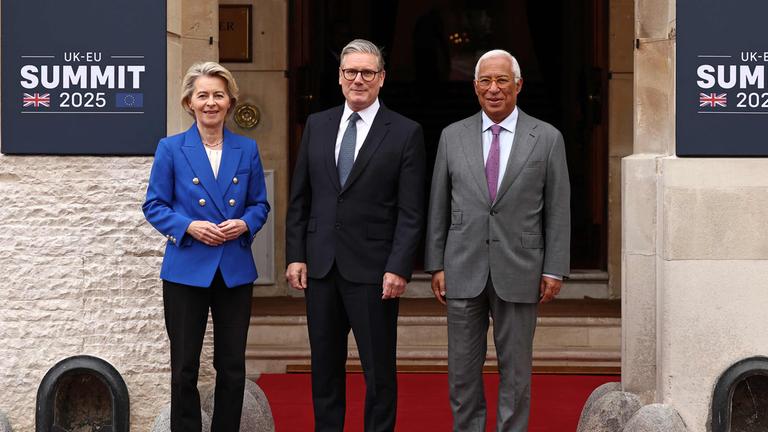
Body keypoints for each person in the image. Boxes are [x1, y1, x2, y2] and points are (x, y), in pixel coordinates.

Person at [425, 49, 570, 432]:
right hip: (462, 266)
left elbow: (558, 208)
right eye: (485, 81)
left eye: (502, 80)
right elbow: (438, 203)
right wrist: (436, 264)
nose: (494, 89)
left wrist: (554, 267)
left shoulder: (548, 138)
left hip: (521, 268)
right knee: (461, 370)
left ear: (518, 85)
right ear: (475, 87)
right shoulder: (451, 136)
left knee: (517, 371)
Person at [285, 39, 425, 432]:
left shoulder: (405, 132)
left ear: (381, 78)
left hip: (375, 271)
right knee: (324, 369)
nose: (358, 79)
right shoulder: (317, 124)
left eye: (367, 72)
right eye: (351, 72)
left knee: (378, 372)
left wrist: (399, 267)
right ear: (340, 77)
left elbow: (411, 211)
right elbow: (300, 198)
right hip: (322, 267)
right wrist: (295, 254)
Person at [143, 61, 270, 432]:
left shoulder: (246, 149)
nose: (211, 102)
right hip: (186, 269)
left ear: (230, 101)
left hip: (234, 268)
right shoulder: (171, 148)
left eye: (218, 95)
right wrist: (189, 226)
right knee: (184, 366)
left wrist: (245, 222)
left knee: (231, 365)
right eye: (203, 95)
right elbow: (154, 205)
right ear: (189, 102)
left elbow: (259, 204)